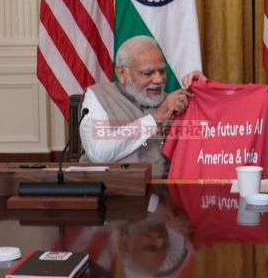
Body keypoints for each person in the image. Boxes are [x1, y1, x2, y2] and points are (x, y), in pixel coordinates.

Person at [79, 36, 201, 178]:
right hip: (111, 187)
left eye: (162, 71)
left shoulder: (175, 103)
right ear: (122, 73)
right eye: (148, 73)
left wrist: (203, 92)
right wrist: (155, 119)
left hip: (162, 189)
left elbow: (208, 144)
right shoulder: (99, 96)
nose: (159, 80)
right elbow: (99, 154)